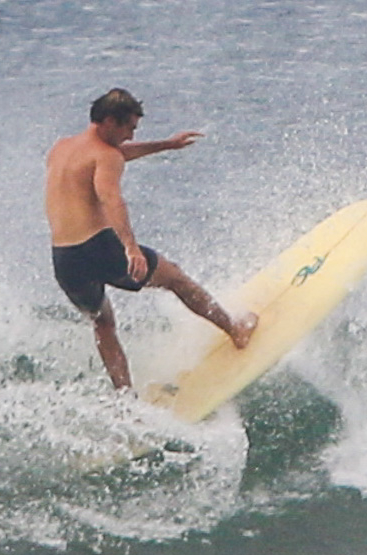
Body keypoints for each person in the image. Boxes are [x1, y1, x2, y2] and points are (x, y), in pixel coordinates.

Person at [45, 88, 257, 390]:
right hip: (99, 248)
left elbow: (105, 158)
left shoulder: (61, 148)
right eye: (128, 128)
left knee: (102, 323)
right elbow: (111, 198)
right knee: (176, 278)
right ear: (108, 121)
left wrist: (167, 145)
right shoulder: (106, 156)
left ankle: (125, 401)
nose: (131, 136)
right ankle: (235, 330)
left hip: (64, 259)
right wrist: (131, 249)